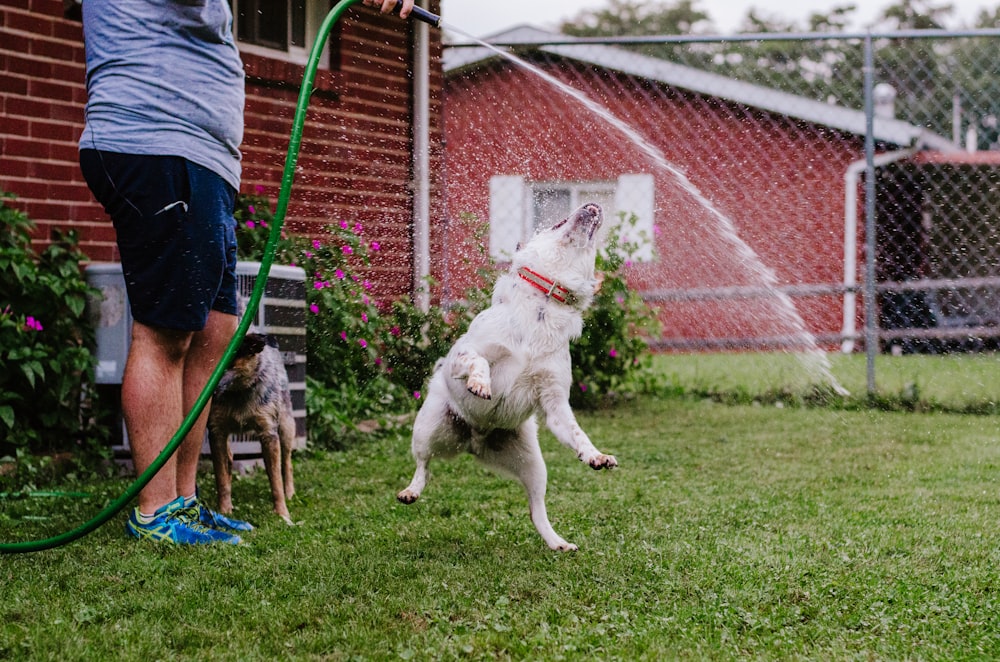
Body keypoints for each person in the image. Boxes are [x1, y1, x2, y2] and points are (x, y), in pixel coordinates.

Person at [79, 0, 415, 546]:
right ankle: (155, 511)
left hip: (197, 155)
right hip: (158, 138)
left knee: (215, 332)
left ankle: (184, 500)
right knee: (166, 333)